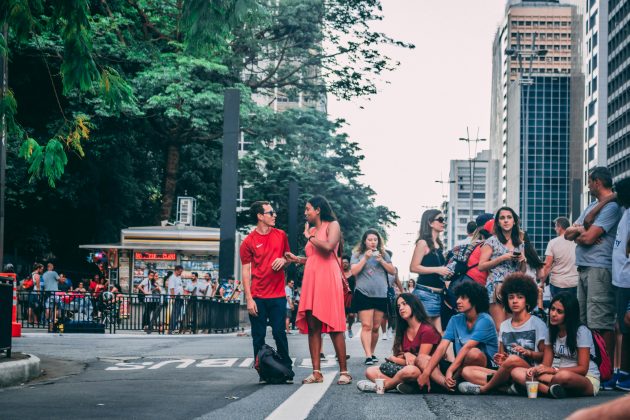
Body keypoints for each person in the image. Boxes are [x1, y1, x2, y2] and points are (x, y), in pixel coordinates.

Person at [286, 196, 350, 385]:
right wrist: (297, 259)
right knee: (313, 326)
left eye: (308, 209)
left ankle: (344, 372)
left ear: (318, 209)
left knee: (334, 326)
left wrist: (310, 237)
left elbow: (329, 248)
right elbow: (314, 258)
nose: (305, 213)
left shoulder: (333, 225)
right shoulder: (312, 230)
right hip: (312, 280)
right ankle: (316, 372)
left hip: (328, 280)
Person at [564, 166, 622, 360]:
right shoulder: (591, 206)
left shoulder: (612, 207)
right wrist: (581, 232)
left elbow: (588, 238)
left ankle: (605, 370)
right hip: (584, 269)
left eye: (589, 182)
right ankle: (592, 365)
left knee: (601, 321)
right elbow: (568, 234)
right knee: (584, 321)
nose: (588, 186)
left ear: (597, 182)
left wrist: (581, 233)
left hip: (599, 269)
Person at [459, 273, 547, 394]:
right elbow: (502, 358)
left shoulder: (537, 324)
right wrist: (501, 359)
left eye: (520, 297)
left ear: (527, 300)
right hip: (507, 372)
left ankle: (486, 388)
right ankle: (508, 388)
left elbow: (545, 356)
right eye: (511, 297)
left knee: (513, 359)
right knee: (467, 371)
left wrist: (528, 353)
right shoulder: (504, 326)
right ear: (506, 300)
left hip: (528, 371)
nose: (515, 301)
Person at [240, 201, 293, 383]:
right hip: (258, 297)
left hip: (278, 295)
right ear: (260, 216)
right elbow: (246, 271)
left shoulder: (281, 235)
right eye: (271, 213)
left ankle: (286, 368)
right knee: (258, 336)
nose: (274, 215)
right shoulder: (248, 241)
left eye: (274, 212)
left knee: (280, 333)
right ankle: (262, 371)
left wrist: (283, 261)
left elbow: (288, 258)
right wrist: (249, 299)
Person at [411, 281, 497, 394]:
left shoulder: (485, 320)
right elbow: (442, 348)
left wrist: (450, 370)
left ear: (475, 300)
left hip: (480, 368)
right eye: (458, 297)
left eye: (463, 298)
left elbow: (467, 348)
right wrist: (426, 373)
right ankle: (447, 385)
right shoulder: (455, 319)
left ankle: (447, 383)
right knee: (421, 358)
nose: (458, 301)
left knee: (473, 353)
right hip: (458, 366)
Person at [511, 292, 601, 398]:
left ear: (569, 314)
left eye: (559, 311)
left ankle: (538, 388)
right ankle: (552, 391)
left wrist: (553, 370)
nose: (553, 314)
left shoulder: (581, 332)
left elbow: (583, 369)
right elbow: (546, 365)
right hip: (556, 376)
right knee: (516, 371)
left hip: (585, 378)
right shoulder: (551, 331)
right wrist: (536, 370)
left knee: (563, 376)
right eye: (552, 309)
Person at [356, 293, 441, 393]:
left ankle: (384, 386)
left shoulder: (427, 330)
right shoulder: (403, 329)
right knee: (370, 371)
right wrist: (406, 354)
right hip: (405, 370)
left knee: (410, 370)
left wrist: (393, 359)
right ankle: (404, 386)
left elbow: (420, 362)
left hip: (424, 371)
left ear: (414, 305)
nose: (401, 308)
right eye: (399, 306)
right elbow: (400, 356)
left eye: (404, 304)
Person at [350, 228, 397, 365]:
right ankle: (368, 355)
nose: (373, 242)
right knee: (366, 325)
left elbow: (392, 271)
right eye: (370, 239)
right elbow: (354, 271)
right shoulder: (357, 254)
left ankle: (372, 351)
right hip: (363, 293)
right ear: (365, 241)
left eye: (375, 240)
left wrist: (381, 260)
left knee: (376, 327)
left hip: (380, 294)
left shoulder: (384, 254)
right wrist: (365, 258)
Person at [478, 207, 527, 330]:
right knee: (500, 327)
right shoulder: (492, 241)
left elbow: (522, 271)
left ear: (514, 221)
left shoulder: (519, 243)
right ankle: (500, 350)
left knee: (513, 325)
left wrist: (523, 261)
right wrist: (502, 258)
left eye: (509, 217)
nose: (506, 221)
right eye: (502, 218)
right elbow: (481, 266)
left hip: (514, 287)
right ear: (498, 222)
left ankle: (510, 350)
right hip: (496, 287)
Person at [410, 209, 450, 334]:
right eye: (440, 220)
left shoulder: (438, 245)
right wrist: (438, 270)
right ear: (430, 223)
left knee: (440, 335)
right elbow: (413, 267)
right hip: (425, 294)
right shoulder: (423, 243)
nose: (444, 223)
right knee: (428, 335)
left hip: (438, 294)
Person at [609, 177, 630, 391]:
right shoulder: (626, 213)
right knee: (623, 328)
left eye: (619, 192)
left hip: (628, 283)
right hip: (621, 281)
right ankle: (623, 373)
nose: (616, 196)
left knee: (627, 324)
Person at [540, 217, 578, 297]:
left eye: (555, 226)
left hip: (557, 284)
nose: (555, 229)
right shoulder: (577, 241)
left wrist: (542, 282)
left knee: (557, 308)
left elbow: (547, 265)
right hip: (575, 283)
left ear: (559, 227)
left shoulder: (553, 243)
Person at [342, 256, 356, 338]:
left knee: (351, 315)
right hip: (341, 297)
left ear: (349, 264)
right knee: (342, 316)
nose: (344, 264)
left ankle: (349, 328)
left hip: (351, 297)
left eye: (346, 262)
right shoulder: (338, 273)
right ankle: (343, 331)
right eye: (343, 263)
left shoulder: (353, 273)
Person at [167, 265, 184, 333]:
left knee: (177, 313)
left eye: (181, 271)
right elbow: (172, 288)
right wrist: (173, 297)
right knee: (174, 313)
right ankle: (171, 329)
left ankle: (173, 328)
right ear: (176, 270)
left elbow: (179, 286)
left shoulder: (179, 277)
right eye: (180, 271)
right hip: (176, 297)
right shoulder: (172, 278)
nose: (181, 273)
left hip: (180, 297)